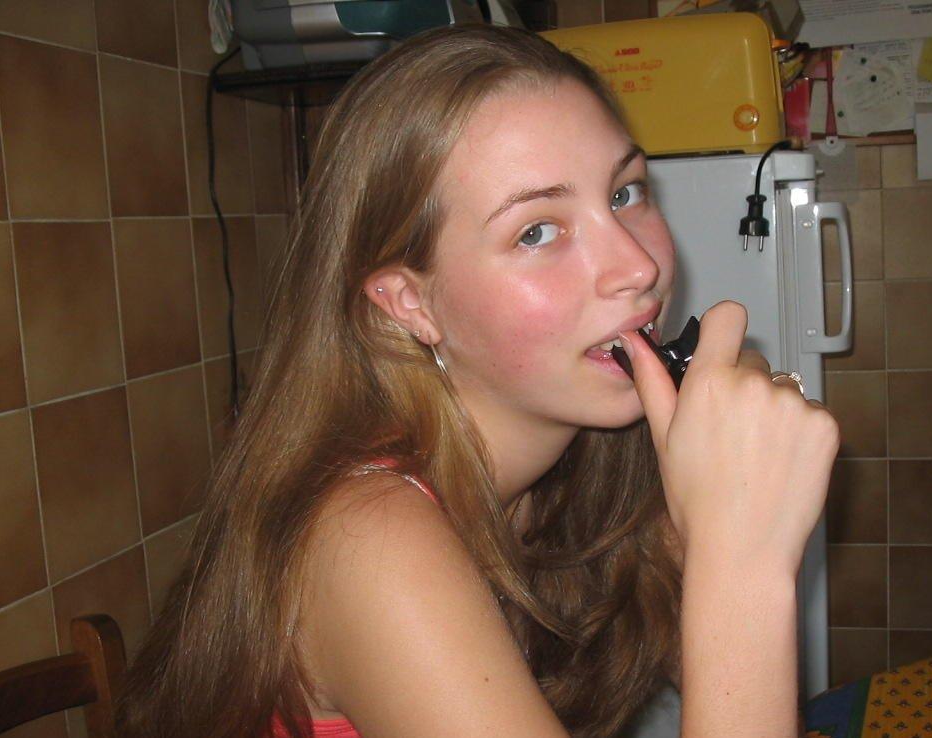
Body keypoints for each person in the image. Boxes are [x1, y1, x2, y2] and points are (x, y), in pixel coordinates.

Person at [115, 23, 838, 738]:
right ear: (411, 302)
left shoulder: (594, 462)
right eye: (537, 231)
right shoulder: (368, 539)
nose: (638, 267)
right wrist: (742, 560)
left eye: (624, 193)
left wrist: (718, 496)